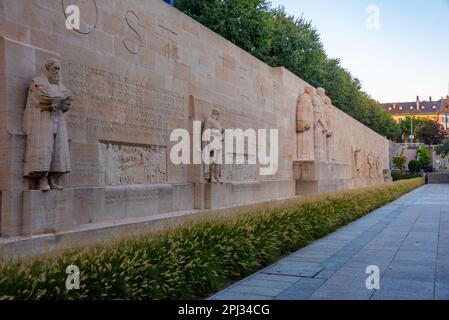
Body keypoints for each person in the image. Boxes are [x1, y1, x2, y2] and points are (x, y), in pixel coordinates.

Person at [23, 58, 73, 191]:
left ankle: (53, 178)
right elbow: (44, 98)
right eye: (55, 68)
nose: (57, 71)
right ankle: (42, 179)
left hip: (58, 120)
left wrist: (62, 98)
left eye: (59, 68)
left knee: (58, 150)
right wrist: (61, 96)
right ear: (48, 68)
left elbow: (66, 102)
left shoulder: (60, 86)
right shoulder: (37, 82)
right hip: (43, 121)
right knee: (44, 149)